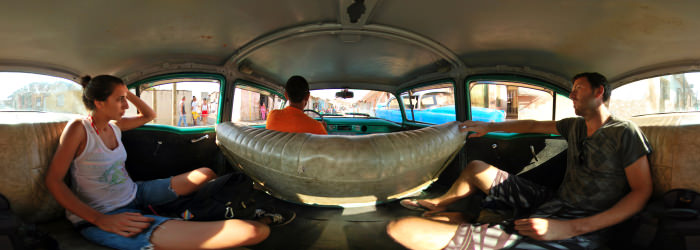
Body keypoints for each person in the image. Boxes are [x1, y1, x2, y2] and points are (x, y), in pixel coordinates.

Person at [387, 72, 653, 250]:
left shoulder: (624, 132)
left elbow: (642, 192)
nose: (571, 95)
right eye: (571, 91)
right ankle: (442, 203)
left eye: (578, 90)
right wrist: (489, 126)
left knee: (402, 228)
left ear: (599, 92)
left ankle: (478, 224)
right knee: (477, 169)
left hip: (584, 222)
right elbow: (533, 125)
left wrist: (571, 227)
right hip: (552, 201)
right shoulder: (576, 126)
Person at [45, 75, 290, 250]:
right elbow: (53, 181)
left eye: (125, 98)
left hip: (135, 193)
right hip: (105, 214)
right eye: (120, 99)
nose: (126, 104)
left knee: (205, 173)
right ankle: (255, 217)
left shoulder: (115, 127)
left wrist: (124, 89)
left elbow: (148, 116)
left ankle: (181, 214)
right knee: (255, 232)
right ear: (99, 103)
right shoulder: (79, 129)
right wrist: (99, 220)